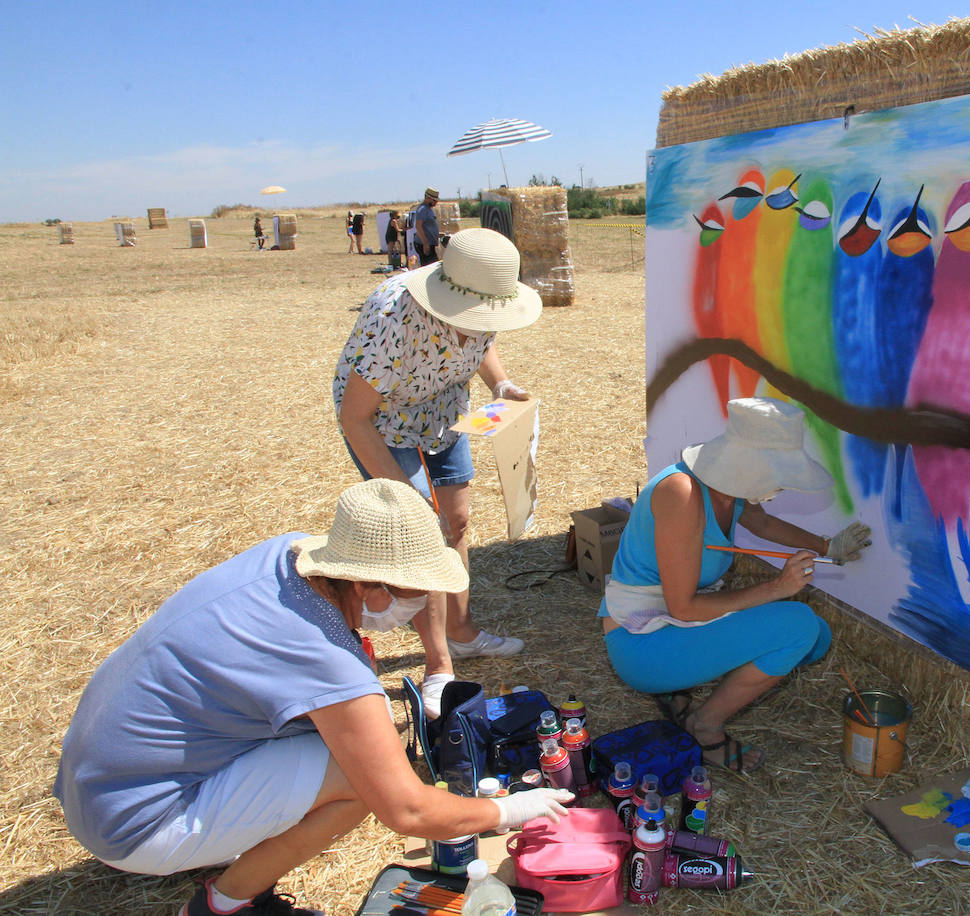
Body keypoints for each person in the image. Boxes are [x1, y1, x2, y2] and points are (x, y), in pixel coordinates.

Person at [54, 479, 573, 916]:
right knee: (361, 779)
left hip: (97, 784)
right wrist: (507, 812)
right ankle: (225, 903)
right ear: (373, 591)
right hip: (132, 821)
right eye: (416, 592)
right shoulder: (323, 656)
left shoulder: (289, 556)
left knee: (351, 755)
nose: (423, 603)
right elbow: (407, 811)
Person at [599, 398, 872, 774]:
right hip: (641, 641)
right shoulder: (682, 493)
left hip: (670, 622)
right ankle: (703, 724)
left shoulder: (729, 489)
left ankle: (678, 688)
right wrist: (777, 587)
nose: (782, 487)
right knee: (800, 627)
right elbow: (684, 609)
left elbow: (763, 525)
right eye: (779, 475)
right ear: (750, 469)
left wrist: (828, 546)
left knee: (816, 638)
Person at [334, 227, 541, 719]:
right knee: (421, 534)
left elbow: (480, 341)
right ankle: (440, 664)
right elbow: (354, 416)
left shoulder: (482, 292)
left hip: (444, 411)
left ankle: (462, 630)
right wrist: (407, 498)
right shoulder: (392, 318)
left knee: (458, 521)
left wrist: (502, 383)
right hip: (381, 423)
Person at [414, 187, 441, 266]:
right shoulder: (422, 209)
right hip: (424, 245)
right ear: (427, 198)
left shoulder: (428, 209)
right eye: (434, 200)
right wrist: (425, 243)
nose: (436, 203)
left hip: (429, 244)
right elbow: (418, 226)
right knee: (430, 268)